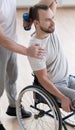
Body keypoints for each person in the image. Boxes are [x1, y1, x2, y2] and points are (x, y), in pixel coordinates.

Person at [28, 0, 75, 130]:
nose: (53, 22)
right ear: (36, 23)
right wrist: (63, 98)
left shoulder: (50, 29)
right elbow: (43, 80)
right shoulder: (35, 48)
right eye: (48, 19)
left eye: (53, 18)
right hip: (55, 86)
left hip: (68, 79)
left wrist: (28, 14)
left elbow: (52, 1)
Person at [0, 0, 46, 130]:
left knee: (12, 77)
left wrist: (28, 17)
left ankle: (13, 106)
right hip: (2, 44)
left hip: (11, 40)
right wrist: (26, 51)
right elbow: (1, 39)